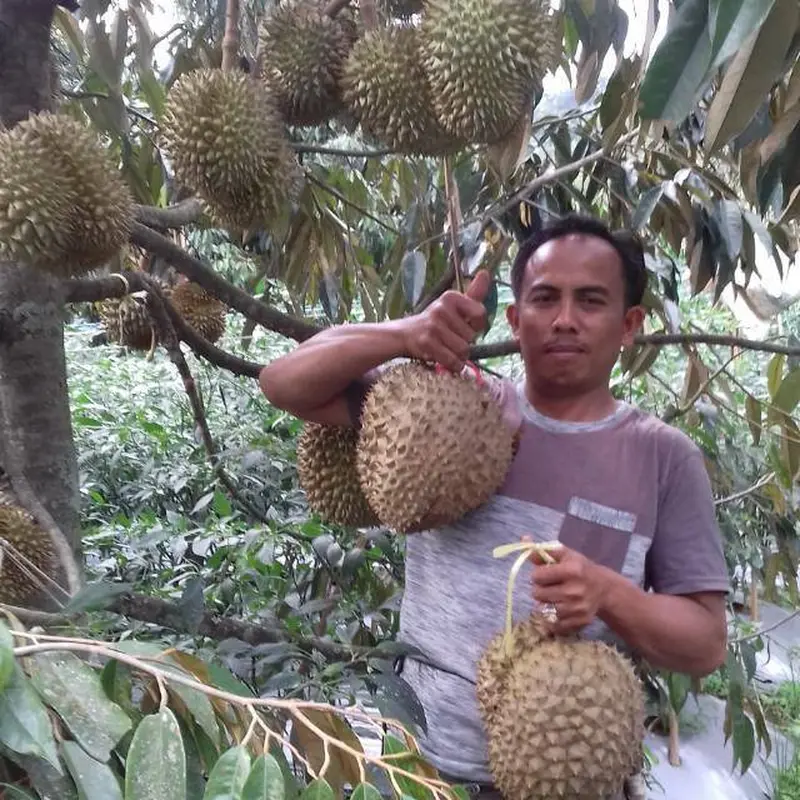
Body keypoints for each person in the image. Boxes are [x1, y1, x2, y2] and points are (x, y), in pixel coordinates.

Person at [259, 213, 730, 798]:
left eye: (590, 300)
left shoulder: (664, 459)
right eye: (543, 298)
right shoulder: (460, 410)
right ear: (514, 318)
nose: (563, 319)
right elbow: (283, 381)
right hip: (419, 765)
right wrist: (407, 334)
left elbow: (705, 643)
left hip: (571, 780)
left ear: (629, 324)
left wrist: (608, 594)